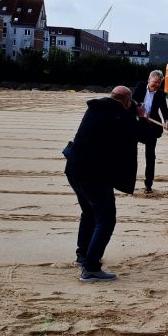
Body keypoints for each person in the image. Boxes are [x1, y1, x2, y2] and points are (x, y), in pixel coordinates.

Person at [64, 86, 141, 282]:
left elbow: (120, 120)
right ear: (126, 101)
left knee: (89, 213)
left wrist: (133, 112)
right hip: (93, 173)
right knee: (106, 219)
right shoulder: (119, 117)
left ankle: (83, 256)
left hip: (74, 168)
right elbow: (143, 134)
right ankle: (90, 268)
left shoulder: (97, 108)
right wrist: (141, 115)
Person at [132, 70, 168, 193]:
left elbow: (165, 109)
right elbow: (132, 102)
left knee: (150, 156)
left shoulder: (160, 94)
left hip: (151, 126)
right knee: (131, 154)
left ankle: (148, 185)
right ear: (149, 80)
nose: (156, 85)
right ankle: (129, 182)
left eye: (159, 83)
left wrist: (167, 120)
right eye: (154, 82)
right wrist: (140, 110)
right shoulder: (139, 86)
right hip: (136, 124)